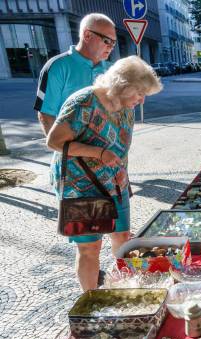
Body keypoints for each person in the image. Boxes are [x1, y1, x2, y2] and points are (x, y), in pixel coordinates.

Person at [46, 56, 163, 291]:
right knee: (90, 247)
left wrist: (121, 171)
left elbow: (120, 148)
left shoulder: (125, 107)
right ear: (123, 86)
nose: (141, 101)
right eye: (139, 94)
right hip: (81, 186)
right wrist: (98, 153)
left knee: (122, 236)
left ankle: (122, 287)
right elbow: (54, 141)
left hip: (114, 183)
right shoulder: (83, 102)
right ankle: (90, 300)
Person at [34, 13, 116, 136]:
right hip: (73, 150)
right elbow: (46, 115)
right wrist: (65, 149)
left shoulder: (113, 70)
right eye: (107, 40)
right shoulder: (56, 67)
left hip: (109, 151)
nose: (111, 46)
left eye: (114, 43)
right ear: (87, 35)